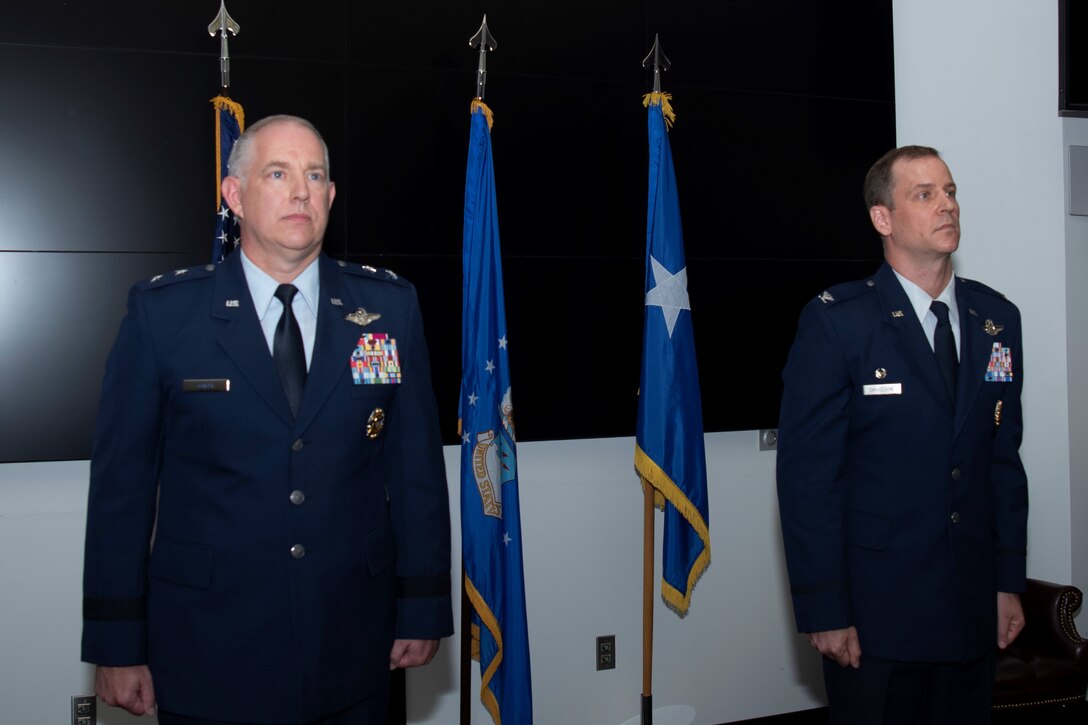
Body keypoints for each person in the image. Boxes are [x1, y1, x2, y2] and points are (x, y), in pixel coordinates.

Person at [81, 115, 453, 724]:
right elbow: (121, 490)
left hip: (353, 647)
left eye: (315, 176)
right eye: (277, 173)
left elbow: (415, 473)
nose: (300, 191)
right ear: (234, 195)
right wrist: (116, 641)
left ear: (331, 196)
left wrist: (422, 603)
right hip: (209, 650)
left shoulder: (387, 309)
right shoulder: (164, 316)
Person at [776, 145, 1028, 724]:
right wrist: (825, 608)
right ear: (882, 218)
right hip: (875, 619)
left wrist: (1006, 581)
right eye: (925, 194)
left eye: (951, 191)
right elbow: (809, 481)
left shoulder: (997, 321)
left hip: (969, 611)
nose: (947, 205)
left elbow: (1002, 461)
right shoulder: (838, 322)